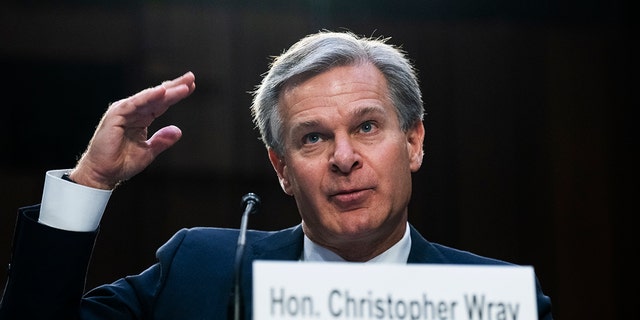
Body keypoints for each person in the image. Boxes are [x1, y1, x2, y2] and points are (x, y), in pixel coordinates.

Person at [0, 30, 553, 319]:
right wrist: (91, 180)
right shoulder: (199, 271)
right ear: (282, 169)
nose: (343, 158)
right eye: (313, 138)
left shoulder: (497, 303)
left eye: (366, 127)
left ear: (413, 142)